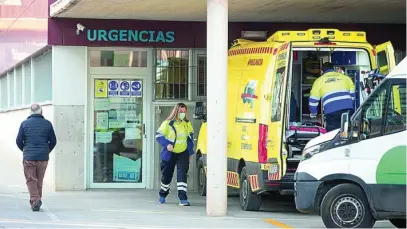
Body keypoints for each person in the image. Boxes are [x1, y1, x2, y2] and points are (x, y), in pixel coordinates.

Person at [16, 104, 57, 211]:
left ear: (30, 112)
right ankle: (36, 200)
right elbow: (53, 141)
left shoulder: (24, 124)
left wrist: (25, 151)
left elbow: (19, 141)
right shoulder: (47, 124)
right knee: (39, 180)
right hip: (43, 157)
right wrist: (46, 151)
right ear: (41, 112)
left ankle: (35, 200)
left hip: (29, 157)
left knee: (31, 180)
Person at [155, 103, 194, 206]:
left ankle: (183, 199)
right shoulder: (167, 123)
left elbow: (190, 139)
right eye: (181, 112)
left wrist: (190, 153)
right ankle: (163, 194)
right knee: (167, 176)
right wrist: (167, 144)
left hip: (183, 153)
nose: (183, 114)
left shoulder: (187, 123)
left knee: (182, 176)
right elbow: (158, 136)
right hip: (170, 153)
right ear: (176, 111)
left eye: (185, 112)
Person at [309, 62, 355, 132]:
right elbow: (352, 95)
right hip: (348, 108)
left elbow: (313, 100)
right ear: (333, 68)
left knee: (333, 133)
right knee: (347, 130)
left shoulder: (319, 81)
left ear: (322, 71)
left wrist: (313, 113)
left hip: (332, 110)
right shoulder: (346, 78)